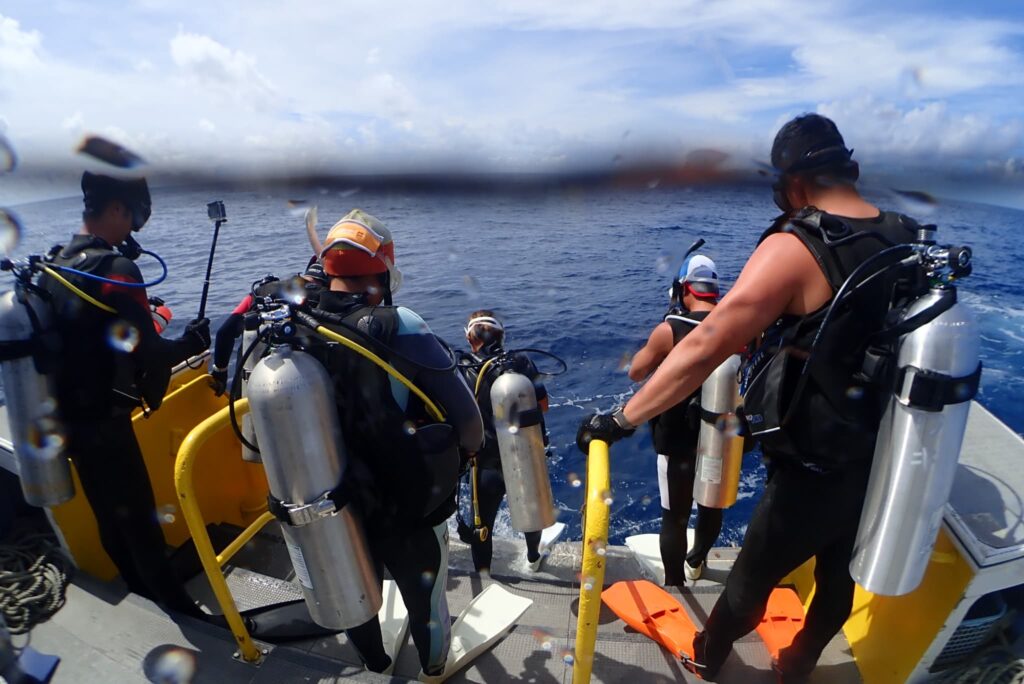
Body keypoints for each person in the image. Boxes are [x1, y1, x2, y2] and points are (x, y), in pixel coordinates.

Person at [576, 114, 923, 680]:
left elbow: (706, 343)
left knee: (749, 581)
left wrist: (621, 419)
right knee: (840, 574)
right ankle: (799, 663)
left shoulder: (797, 245)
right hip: (888, 453)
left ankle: (707, 657)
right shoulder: (906, 237)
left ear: (793, 183)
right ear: (849, 168)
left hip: (815, 467)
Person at [307, 209, 483, 677]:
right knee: (426, 601)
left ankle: (374, 664)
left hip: (331, 503)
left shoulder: (297, 320)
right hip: (405, 506)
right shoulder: (398, 324)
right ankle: (433, 669)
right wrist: (468, 451)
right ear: (383, 269)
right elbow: (469, 420)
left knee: (355, 597)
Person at [39, 172, 210, 616]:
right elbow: (150, 354)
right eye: (134, 218)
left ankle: (139, 592)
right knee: (140, 523)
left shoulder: (56, 262)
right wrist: (192, 343)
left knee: (109, 518)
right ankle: (180, 612)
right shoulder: (116, 269)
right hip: (106, 423)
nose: (135, 230)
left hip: (68, 421)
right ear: (117, 208)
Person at [628, 254, 723, 585]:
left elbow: (636, 371)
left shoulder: (670, 330)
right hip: (721, 438)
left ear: (684, 290)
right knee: (711, 507)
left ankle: (674, 586)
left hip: (678, 439)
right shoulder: (740, 326)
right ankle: (696, 561)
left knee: (675, 517)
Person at [456, 310, 550, 573]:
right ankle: (533, 557)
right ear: (501, 335)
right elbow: (543, 405)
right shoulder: (521, 362)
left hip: (485, 463)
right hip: (524, 454)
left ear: (469, 337)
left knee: (482, 523)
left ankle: (483, 574)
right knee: (531, 513)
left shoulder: (462, 366)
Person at [208, 259, 328, 395]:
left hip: (248, 389)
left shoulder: (261, 291)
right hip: (304, 391)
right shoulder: (324, 299)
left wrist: (220, 373)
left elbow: (224, 332)